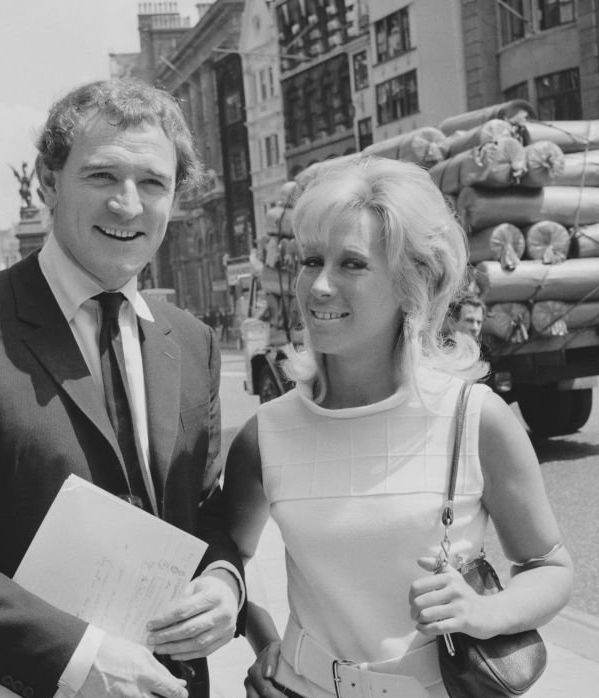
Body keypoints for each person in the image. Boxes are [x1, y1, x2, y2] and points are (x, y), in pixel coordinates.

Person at [0, 79, 244, 698]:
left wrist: (225, 582)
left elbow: (201, 510)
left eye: (152, 183)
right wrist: (79, 658)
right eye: (101, 177)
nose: (128, 204)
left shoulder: (191, 341)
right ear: (48, 181)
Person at [223, 157, 573, 698]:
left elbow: (549, 566)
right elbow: (225, 564)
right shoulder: (266, 434)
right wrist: (265, 642)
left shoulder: (475, 419)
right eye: (311, 260)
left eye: (352, 265)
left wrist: (486, 611)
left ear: (414, 283)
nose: (318, 286)